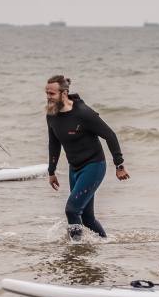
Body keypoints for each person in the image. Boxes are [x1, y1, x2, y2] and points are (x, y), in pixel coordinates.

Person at [45, 75, 129, 240]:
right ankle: (105, 243)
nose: (48, 97)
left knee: (72, 210)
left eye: (52, 94)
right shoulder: (51, 115)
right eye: (46, 93)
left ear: (64, 93)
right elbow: (54, 144)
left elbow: (109, 135)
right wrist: (51, 171)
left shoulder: (83, 113)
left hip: (93, 166)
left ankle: (74, 250)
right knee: (87, 218)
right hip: (74, 169)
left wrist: (119, 165)